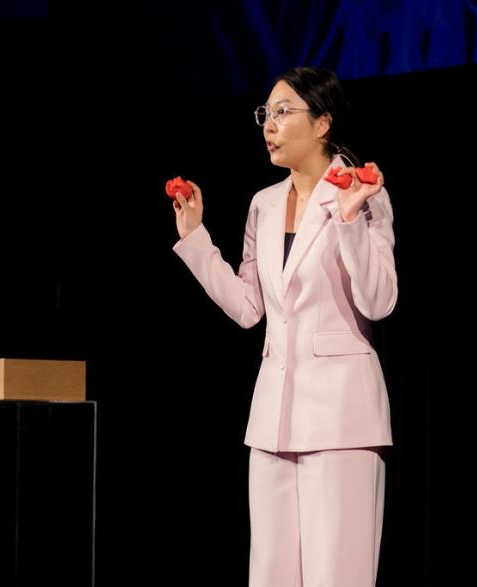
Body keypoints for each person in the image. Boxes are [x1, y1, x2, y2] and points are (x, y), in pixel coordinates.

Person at [170, 66, 397, 587]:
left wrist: (346, 219)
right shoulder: (263, 204)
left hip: (343, 418)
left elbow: (379, 300)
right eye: (265, 114)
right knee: (270, 576)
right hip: (273, 417)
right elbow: (250, 307)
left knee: (337, 576)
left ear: (322, 124)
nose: (268, 124)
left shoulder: (364, 191)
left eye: (282, 112)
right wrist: (196, 238)